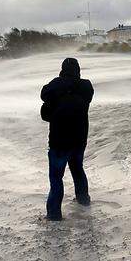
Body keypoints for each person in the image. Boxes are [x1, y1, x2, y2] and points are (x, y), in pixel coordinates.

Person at [40, 58, 94, 221]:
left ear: (62, 69)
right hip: (79, 139)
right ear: (78, 70)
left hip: (59, 140)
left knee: (56, 178)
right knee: (78, 170)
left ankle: (54, 214)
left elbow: (44, 94)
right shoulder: (86, 87)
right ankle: (83, 200)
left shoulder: (56, 85)